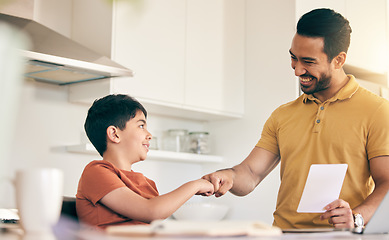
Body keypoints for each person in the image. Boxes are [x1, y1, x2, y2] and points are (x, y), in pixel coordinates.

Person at [203, 8, 389, 230]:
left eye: (308, 61)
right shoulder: (283, 115)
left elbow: (386, 182)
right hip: (283, 233)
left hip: (342, 235)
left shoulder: (377, 110)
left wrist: (357, 217)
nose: (297, 70)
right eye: (293, 57)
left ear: (338, 60)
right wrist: (229, 176)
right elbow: (251, 173)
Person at [76, 94, 214, 228]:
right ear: (114, 134)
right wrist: (195, 185)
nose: (149, 135)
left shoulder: (147, 184)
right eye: (141, 126)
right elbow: (151, 211)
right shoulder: (96, 172)